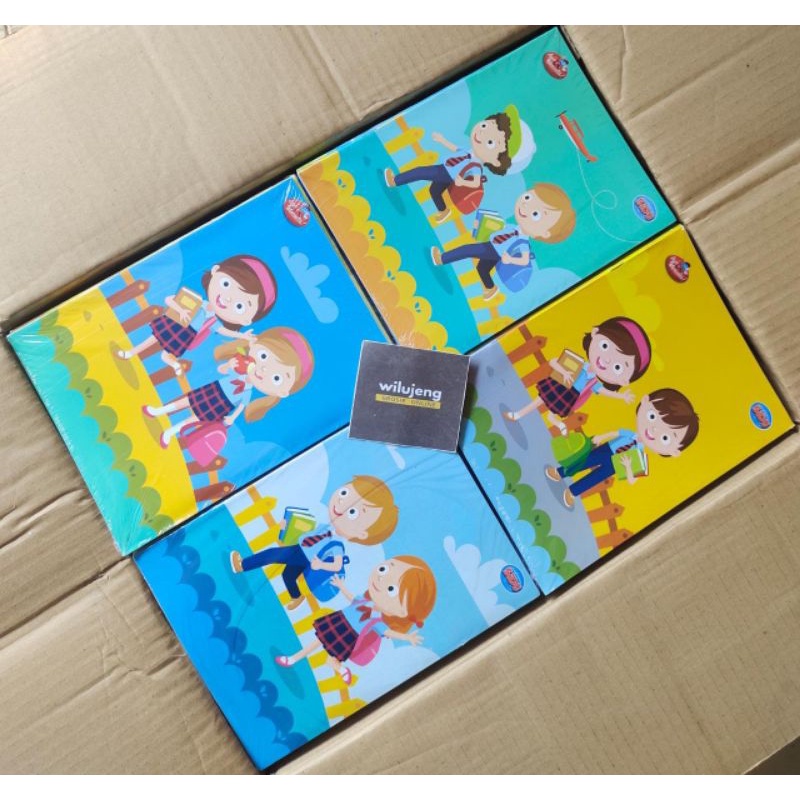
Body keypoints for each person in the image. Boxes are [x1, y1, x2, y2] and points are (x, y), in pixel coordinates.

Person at [230, 476, 399, 611]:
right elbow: (302, 536)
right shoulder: (324, 526)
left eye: (353, 512)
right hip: (300, 549)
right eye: (344, 494)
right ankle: (297, 597)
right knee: (287, 575)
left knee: (272, 555)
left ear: (361, 534)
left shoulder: (337, 545)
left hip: (306, 558)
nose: (342, 505)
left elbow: (337, 565)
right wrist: (285, 529)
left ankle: (242, 565)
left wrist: (321, 564)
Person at [274, 556, 437, 686]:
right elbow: (351, 598)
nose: (381, 580)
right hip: (339, 621)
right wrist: (341, 586)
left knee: (328, 653)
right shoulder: (364, 601)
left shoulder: (377, 621)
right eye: (384, 569)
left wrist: (407, 637)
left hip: (349, 634)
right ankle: (300, 660)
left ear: (402, 612)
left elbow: (388, 632)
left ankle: (299, 660)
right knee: (321, 645)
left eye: (392, 589)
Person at [142, 326, 313, 447]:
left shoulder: (247, 392)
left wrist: (232, 418)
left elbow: (241, 406)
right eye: (263, 356)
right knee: (186, 402)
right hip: (215, 390)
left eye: (276, 377)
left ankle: (170, 432)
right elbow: (221, 370)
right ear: (254, 344)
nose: (264, 370)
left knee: (195, 419)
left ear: (282, 392)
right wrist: (229, 365)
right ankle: (158, 411)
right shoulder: (239, 370)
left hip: (224, 405)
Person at [116, 255, 277, 375]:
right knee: (153, 339)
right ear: (216, 271)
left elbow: (223, 331)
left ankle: (174, 364)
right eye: (226, 283)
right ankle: (131, 353)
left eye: (239, 306)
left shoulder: (212, 320)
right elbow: (169, 299)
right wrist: (181, 310)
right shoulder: (196, 301)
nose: (228, 299)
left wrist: (242, 336)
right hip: (176, 323)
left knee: (166, 353)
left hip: (187, 334)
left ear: (246, 320)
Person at [546, 388, 700, 508]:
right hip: (607, 450)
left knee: (595, 478)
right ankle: (560, 472)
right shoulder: (629, 434)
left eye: (665, 438)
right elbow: (615, 433)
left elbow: (632, 481)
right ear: (645, 401)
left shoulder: (639, 455)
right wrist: (600, 437)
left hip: (617, 464)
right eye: (652, 416)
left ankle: (572, 492)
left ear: (674, 451)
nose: (653, 430)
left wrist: (627, 467)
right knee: (585, 461)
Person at [384, 106, 533, 224]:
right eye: (485, 126)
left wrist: (462, 182)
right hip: (445, 170)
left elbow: (475, 182)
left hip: (446, 174)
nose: (481, 134)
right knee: (434, 191)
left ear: (496, 162)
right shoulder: (468, 151)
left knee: (420, 172)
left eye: (490, 142)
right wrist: (442, 140)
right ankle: (443, 211)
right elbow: (455, 148)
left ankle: (395, 181)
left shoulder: (476, 167)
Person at [503, 317, 651, 434]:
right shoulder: (578, 363)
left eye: (618, 367)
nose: (607, 360)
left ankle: (556, 424)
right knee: (540, 400)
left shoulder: (593, 382)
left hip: (570, 395)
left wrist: (622, 396)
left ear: (623, 381)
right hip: (560, 385)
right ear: (595, 333)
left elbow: (604, 391)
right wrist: (564, 372)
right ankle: (519, 415)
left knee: (552, 411)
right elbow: (554, 362)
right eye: (605, 346)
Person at [431, 184, 576, 300]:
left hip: (495, 251)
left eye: (535, 214)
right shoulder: (512, 227)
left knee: (467, 250)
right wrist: (481, 226)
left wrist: (510, 259)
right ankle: (491, 288)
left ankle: (442, 259)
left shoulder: (523, 243)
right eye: (527, 198)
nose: (525, 207)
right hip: (493, 246)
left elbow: (524, 260)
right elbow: (496, 232)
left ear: (545, 233)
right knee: (482, 268)